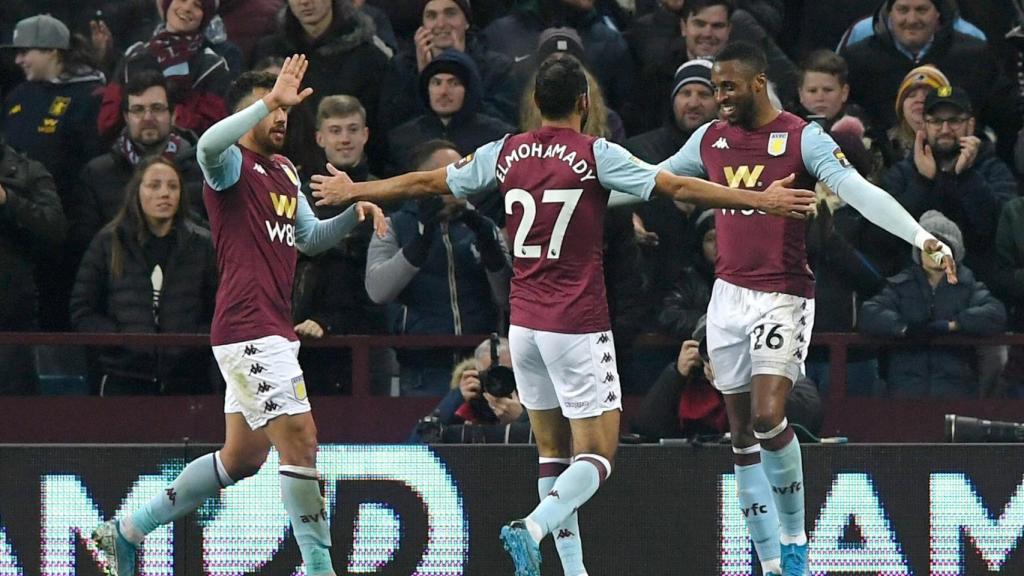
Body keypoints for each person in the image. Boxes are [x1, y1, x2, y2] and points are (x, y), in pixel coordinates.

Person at [311, 52, 817, 576]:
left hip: (523, 327)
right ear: (584, 102)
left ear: (534, 103)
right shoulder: (597, 153)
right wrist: (761, 200)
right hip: (575, 324)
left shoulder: (504, 152)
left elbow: (425, 183)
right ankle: (532, 527)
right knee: (599, 454)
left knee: (551, 453)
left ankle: (571, 571)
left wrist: (355, 189)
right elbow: (678, 187)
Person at [656, 42, 955, 576]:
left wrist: (919, 236)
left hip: (783, 293)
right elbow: (652, 179)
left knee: (771, 416)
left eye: (727, 87)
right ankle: (772, 565)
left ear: (756, 84)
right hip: (726, 296)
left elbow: (858, 191)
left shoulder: (801, 136)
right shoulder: (710, 139)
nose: (718, 98)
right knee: (742, 437)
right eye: (713, 87)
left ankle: (795, 540)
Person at [91, 57, 387, 576]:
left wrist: (353, 212)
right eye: (269, 108)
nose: (280, 118)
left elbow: (309, 238)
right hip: (249, 329)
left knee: (242, 458)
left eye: (285, 111)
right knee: (302, 439)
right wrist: (269, 99)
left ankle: (126, 530)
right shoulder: (229, 166)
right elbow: (205, 146)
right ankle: (320, 568)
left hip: (267, 329)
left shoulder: (285, 170)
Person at [366, 140, 511, 396]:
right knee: (423, 435)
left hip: (483, 365)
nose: (460, 179)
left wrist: (485, 237)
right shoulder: (392, 226)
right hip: (422, 369)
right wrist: (421, 239)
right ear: (425, 181)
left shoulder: (483, 226)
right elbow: (378, 290)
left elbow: (506, 295)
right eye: (450, 173)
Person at [70, 157, 217, 395]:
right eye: (154, 185)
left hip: (189, 378)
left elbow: (222, 309)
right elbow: (82, 310)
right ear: (136, 191)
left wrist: (192, 341)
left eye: (172, 186)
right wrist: (121, 340)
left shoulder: (203, 245)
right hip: (124, 377)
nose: (164, 193)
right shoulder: (108, 242)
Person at [2, 14, 106, 331]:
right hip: (16, 227)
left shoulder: (88, 95)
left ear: (52, 51)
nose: (19, 60)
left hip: (65, 229)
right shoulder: (19, 95)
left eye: (25, 51)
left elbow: (90, 165)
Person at [859, 210, 1006, 397]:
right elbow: (869, 313)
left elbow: (995, 313)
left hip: (955, 390)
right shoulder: (901, 285)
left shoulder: (968, 286)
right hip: (904, 391)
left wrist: (954, 325)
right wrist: (904, 328)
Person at [880, 85, 1017, 283]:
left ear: (970, 124)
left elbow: (995, 230)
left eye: (954, 121)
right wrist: (923, 182)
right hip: (913, 287)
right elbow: (886, 236)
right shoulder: (902, 173)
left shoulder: (993, 169)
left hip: (980, 285)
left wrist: (966, 177)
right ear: (923, 126)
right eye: (935, 121)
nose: (945, 129)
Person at [76, 70, 205, 247]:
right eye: (138, 110)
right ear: (126, 117)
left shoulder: (200, 171)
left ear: (173, 115)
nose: (148, 118)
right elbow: (86, 248)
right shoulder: (98, 174)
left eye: (157, 108)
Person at [98, 0, 231, 142]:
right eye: (182, 0)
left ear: (205, 16)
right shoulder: (134, 56)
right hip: (131, 156)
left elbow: (214, 129)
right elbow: (107, 122)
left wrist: (168, 117)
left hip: (187, 157)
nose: (187, 8)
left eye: (197, 5)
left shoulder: (212, 66)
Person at [0, 138, 65, 394]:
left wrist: (8, 200)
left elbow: (55, 227)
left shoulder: (28, 171)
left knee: (17, 417)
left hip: (11, 319)